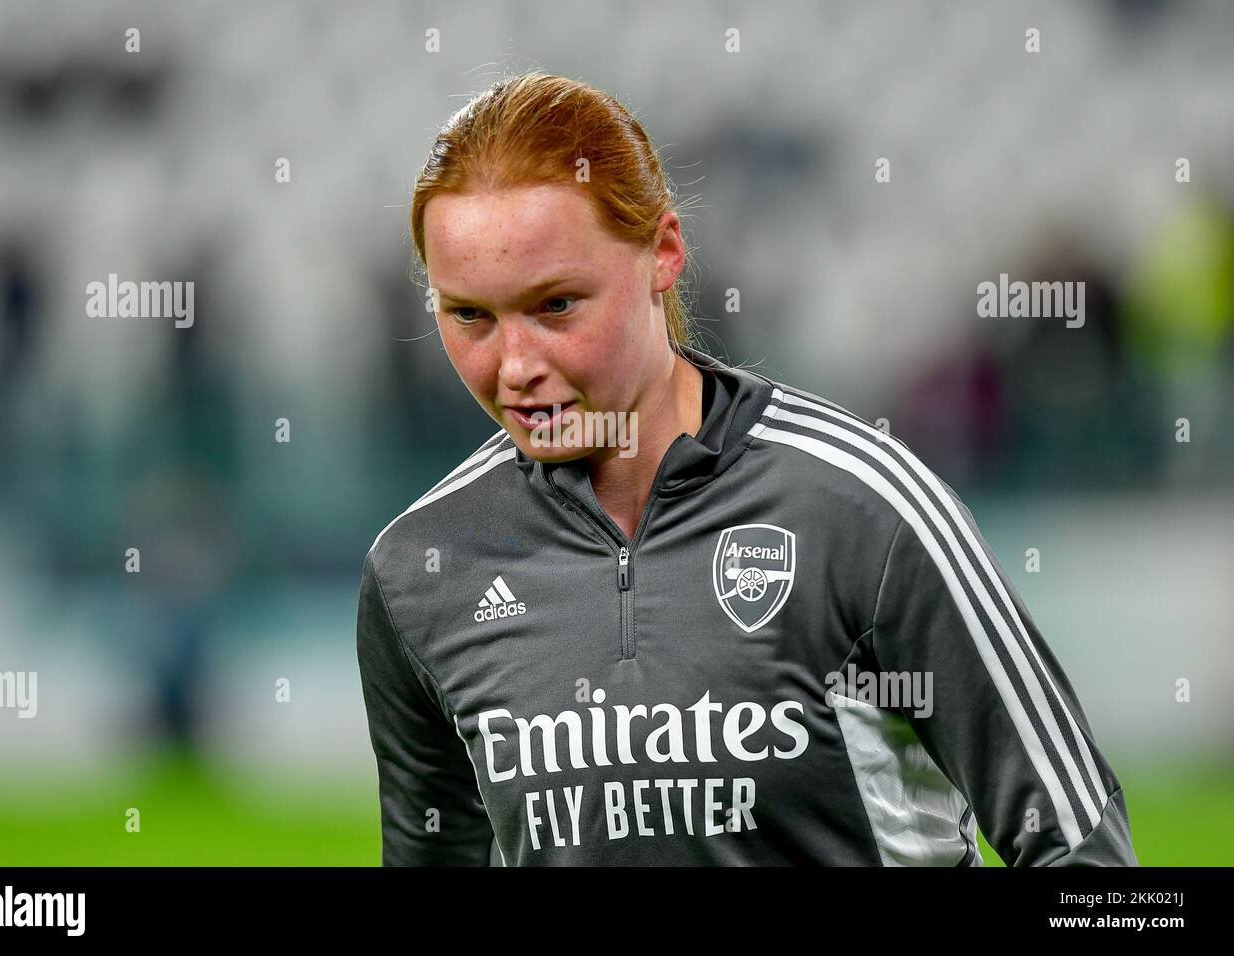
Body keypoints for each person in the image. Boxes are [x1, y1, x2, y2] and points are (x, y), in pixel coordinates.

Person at [355, 71, 1139, 866]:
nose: (515, 365)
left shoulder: (865, 511)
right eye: (470, 316)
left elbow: (1086, 859)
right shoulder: (424, 569)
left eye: (556, 305)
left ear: (662, 253)